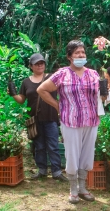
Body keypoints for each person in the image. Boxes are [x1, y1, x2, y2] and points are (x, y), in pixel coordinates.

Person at [37, 40, 100, 204]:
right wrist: (58, 106)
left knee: (87, 155)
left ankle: (83, 188)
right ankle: (73, 189)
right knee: (72, 155)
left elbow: (100, 95)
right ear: (69, 56)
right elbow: (41, 89)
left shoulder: (93, 74)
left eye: (83, 52)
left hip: (91, 120)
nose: (81, 55)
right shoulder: (62, 74)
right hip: (70, 120)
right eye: (77, 53)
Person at [10, 53, 67, 182]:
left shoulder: (52, 78)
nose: (40, 65)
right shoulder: (26, 82)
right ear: (31, 66)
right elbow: (21, 100)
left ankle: (56, 171)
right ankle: (42, 171)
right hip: (34, 119)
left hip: (51, 117)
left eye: (42, 63)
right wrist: (13, 93)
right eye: (36, 63)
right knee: (39, 146)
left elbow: (63, 92)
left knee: (53, 145)